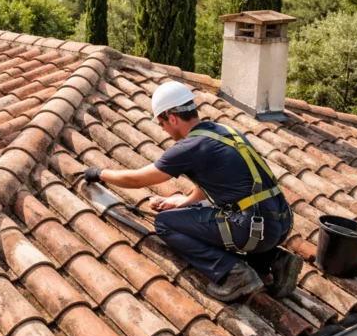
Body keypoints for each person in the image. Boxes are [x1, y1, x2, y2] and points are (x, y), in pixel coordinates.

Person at [81, 81, 302, 302]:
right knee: (205, 213)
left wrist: (100, 173)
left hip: (254, 229)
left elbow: (137, 179)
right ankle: (274, 260)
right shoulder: (223, 131)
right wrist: (183, 201)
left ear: (172, 118)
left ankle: (235, 274)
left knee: (165, 223)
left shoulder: (189, 147)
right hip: (280, 223)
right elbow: (213, 181)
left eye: (162, 123)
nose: (163, 129)